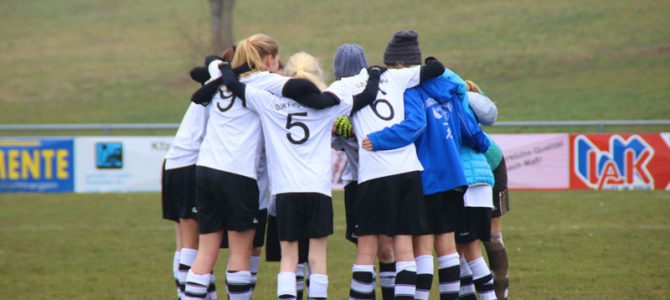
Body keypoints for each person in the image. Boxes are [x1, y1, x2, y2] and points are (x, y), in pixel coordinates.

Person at [216, 51, 383, 299]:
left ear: (286, 77)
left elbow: (233, 85)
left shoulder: (268, 102)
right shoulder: (330, 104)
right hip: (318, 191)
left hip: (285, 192)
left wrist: (227, 68)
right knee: (317, 258)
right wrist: (374, 75)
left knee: (289, 258)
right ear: (317, 75)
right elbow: (368, 96)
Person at [183, 34, 338, 300]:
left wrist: (224, 71)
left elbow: (203, 76)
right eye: (277, 61)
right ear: (269, 59)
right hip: (238, 174)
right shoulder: (267, 82)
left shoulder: (221, 81)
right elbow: (304, 89)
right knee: (240, 252)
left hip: (205, 169)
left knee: (206, 252)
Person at [330, 30, 445, 300]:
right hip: (408, 171)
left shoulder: (340, 88)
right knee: (405, 249)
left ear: (337, 70)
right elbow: (436, 69)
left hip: (375, 175)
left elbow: (317, 112)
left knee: (366, 251)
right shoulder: (390, 76)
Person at [364, 65, 490, 299]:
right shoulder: (450, 92)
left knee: (422, 247)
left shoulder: (411, 92)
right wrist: (483, 144)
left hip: (427, 177)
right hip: (454, 177)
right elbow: (469, 129)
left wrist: (379, 139)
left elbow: (415, 127)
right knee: (448, 244)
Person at [161, 49, 235, 299]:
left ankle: (190, 294)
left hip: (174, 163)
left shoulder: (215, 81)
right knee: (195, 246)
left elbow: (199, 69)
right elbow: (206, 63)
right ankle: (188, 295)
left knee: (184, 245)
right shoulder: (225, 84)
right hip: (190, 165)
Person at [328, 44, 397, 300]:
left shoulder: (373, 94)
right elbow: (335, 143)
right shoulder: (344, 99)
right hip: (360, 181)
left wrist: (351, 132)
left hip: (373, 181)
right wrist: (338, 130)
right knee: (378, 250)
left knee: (376, 249)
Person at [465, 81, 510, 300]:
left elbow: (486, 108)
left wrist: (468, 87)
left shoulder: (460, 92)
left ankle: (501, 292)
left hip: (491, 164)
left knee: (491, 236)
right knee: (462, 236)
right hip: (465, 171)